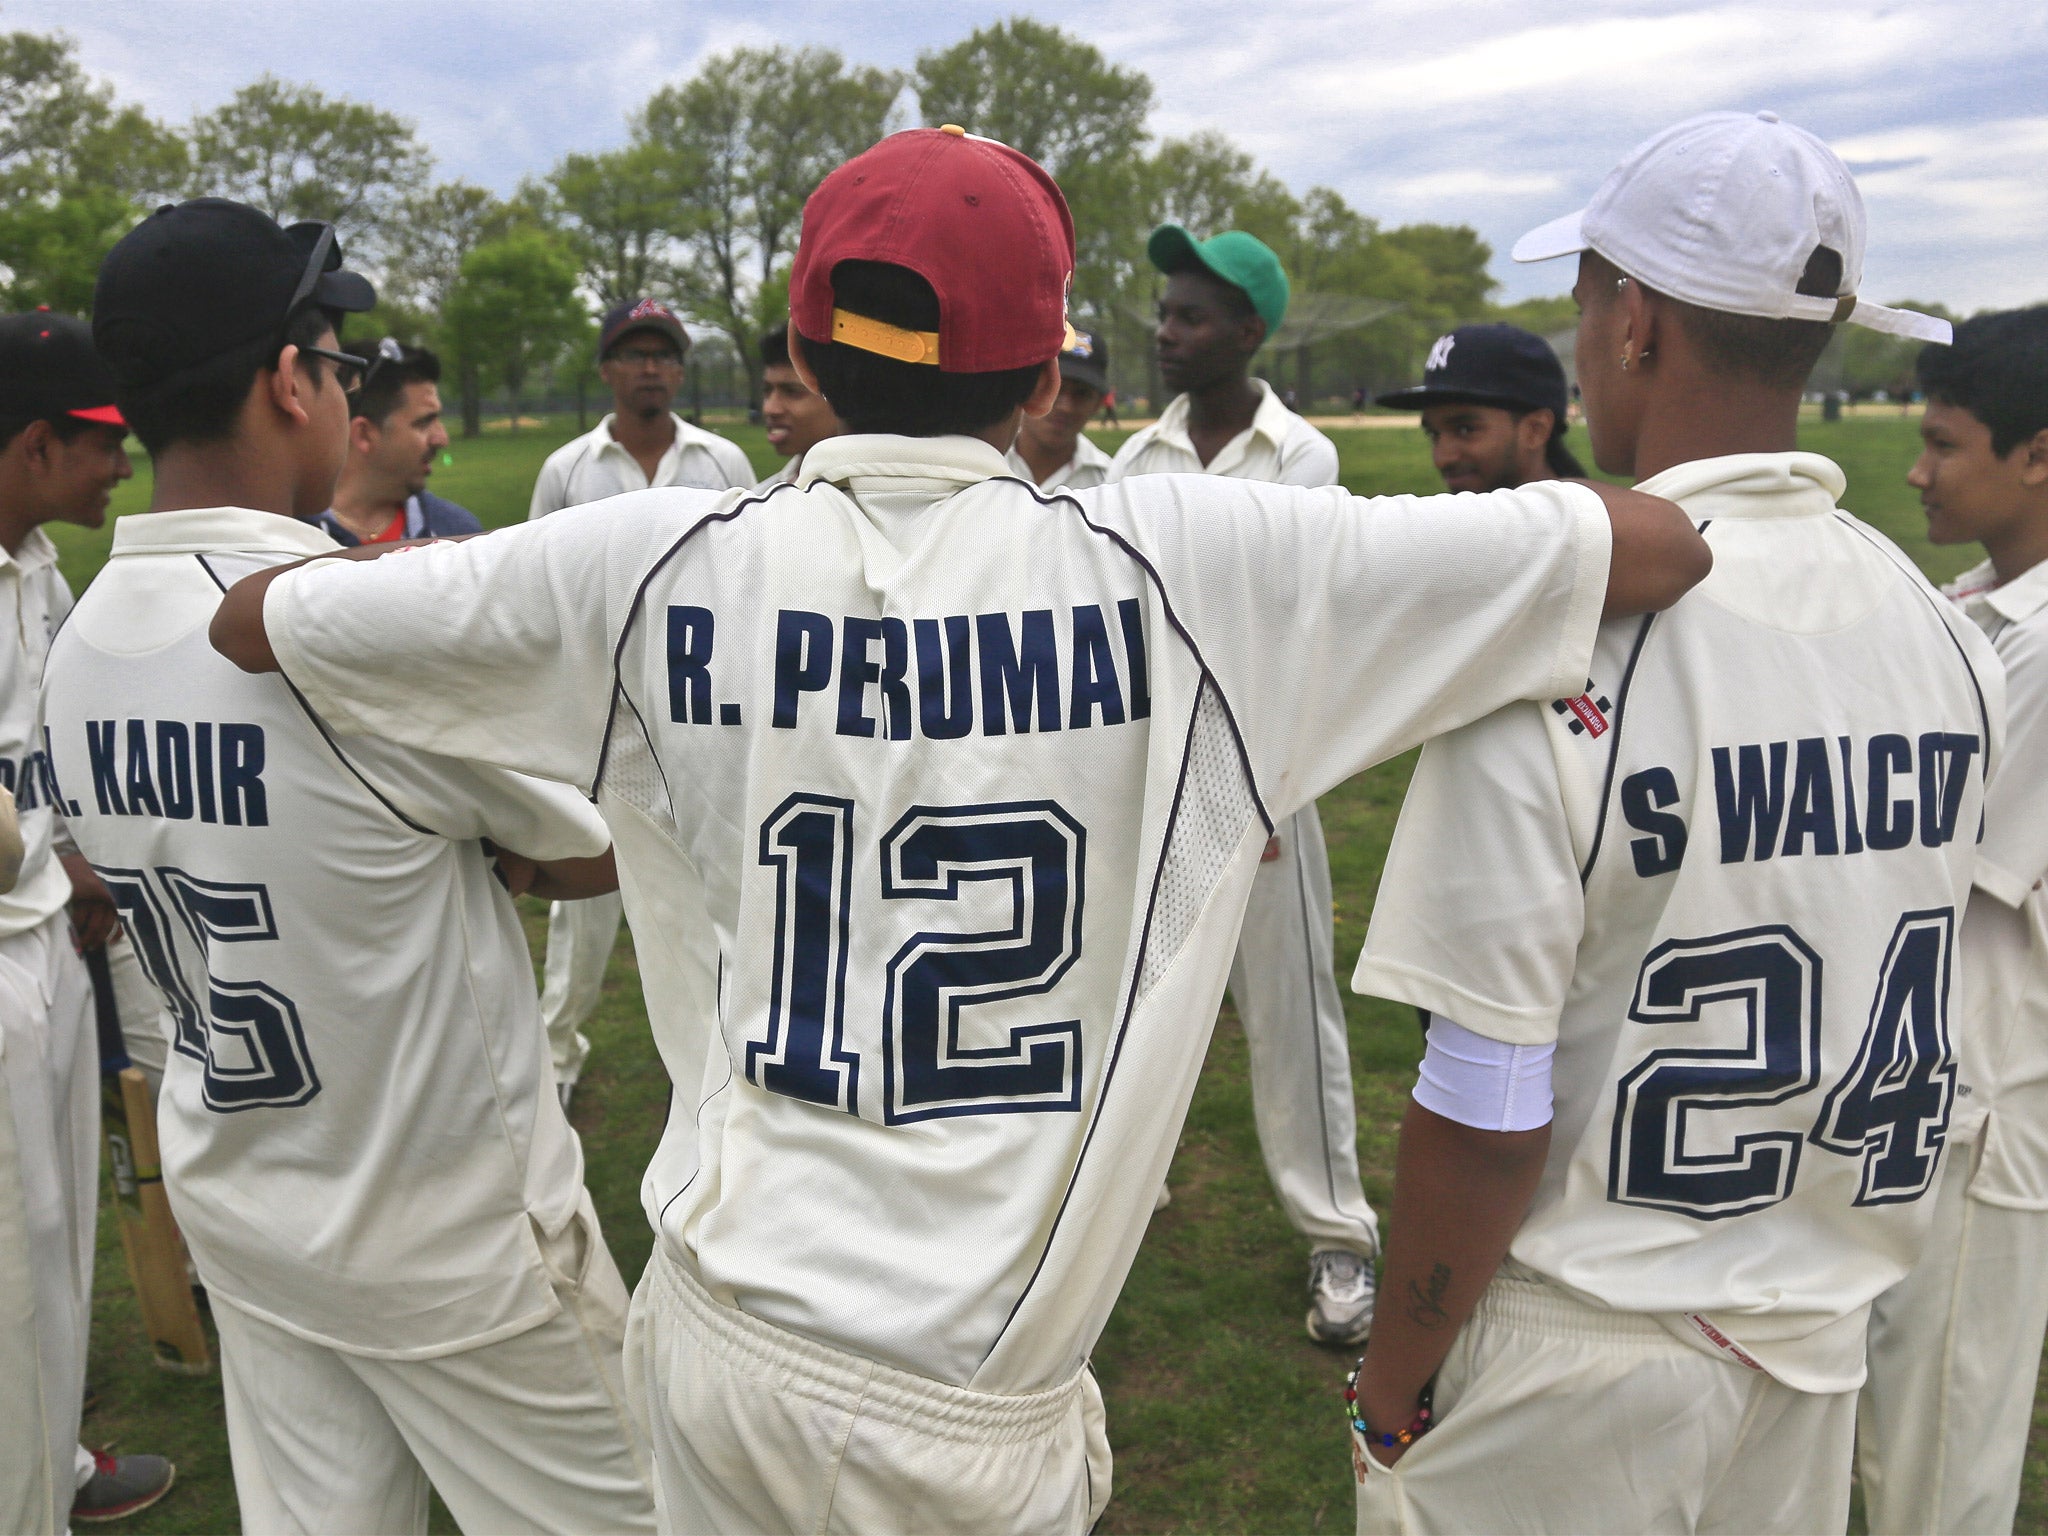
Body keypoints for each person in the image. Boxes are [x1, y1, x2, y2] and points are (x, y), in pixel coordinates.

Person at [206, 125, 1707, 1535]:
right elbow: (1655, 544)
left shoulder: (645, 561)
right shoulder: (1202, 562)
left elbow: (261, 621)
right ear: (1044, 372)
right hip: (972, 1382)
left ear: (800, 348)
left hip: (719, 1317)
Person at [1346, 111, 1991, 1536]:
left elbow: (1485, 1106)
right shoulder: (1940, 632)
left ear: (1633, 324)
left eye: (1584, 302)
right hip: (1812, 1342)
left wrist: (1389, 1385)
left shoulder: (1561, 633)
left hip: (1577, 1346)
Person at [53, 198, 655, 1535]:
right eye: (336, 367)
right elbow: (593, 847)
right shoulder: (350, 629)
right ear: (288, 382)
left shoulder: (77, 638)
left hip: (254, 1212)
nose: (341, 394)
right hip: (456, 1242)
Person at [1109, 223, 1381, 1346]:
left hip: (1267, 788)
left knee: (1290, 1015)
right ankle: (1120, 1202)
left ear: (1249, 332)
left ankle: (1338, 1238)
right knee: (1132, 1007)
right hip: (1159, 793)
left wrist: (1259, 788)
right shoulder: (1134, 466)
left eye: (1192, 317)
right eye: (1165, 314)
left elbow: (1289, 635)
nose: (1168, 334)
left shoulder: (1299, 459)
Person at [1857, 305, 2048, 1535]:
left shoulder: (2033, 649)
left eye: (1943, 445)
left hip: (1985, 1106)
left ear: (2037, 455)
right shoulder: (1977, 601)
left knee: (1934, 1472)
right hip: (1922, 1090)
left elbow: (1907, 863)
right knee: (1878, 1437)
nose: (1915, 472)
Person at [0, 310, 177, 1531]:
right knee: (16, 1257)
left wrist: (68, 857)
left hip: (44, 932)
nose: (124, 463)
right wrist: (34, 856)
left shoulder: (39, 564)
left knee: (56, 1236)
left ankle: (48, 1462)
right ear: (29, 443)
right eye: (101, 441)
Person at [528, 297, 753, 1111]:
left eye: (664, 354)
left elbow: (748, 577)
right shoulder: (569, 469)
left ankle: (725, 1061)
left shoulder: (723, 461)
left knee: (711, 894)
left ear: (681, 370)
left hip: (698, 709)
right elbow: (538, 589)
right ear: (608, 370)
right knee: (582, 912)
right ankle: (558, 1050)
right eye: (635, 353)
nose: (651, 367)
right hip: (599, 711)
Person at [1377, 323, 1587, 493]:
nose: (1442, 458)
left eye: (1465, 429)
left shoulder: (1596, 541)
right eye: (1433, 434)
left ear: (1535, 430)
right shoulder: (1452, 536)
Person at [311, 338, 481, 546]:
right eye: (424, 422)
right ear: (364, 434)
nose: (442, 439)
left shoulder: (457, 534)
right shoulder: (293, 540)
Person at [1007, 329, 1114, 491]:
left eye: (1082, 394)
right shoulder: (982, 464)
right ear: (1026, 387)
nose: (1066, 407)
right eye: (1054, 387)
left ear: (1098, 404)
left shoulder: (1109, 481)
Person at [755, 323, 843, 489]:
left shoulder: (872, 502)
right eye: (767, 390)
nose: (770, 409)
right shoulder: (760, 496)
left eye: (792, 392)